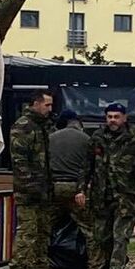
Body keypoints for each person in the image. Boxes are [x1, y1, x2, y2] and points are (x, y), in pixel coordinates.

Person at [75, 103, 135, 269]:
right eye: (109, 116)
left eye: (116, 116)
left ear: (125, 118)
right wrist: (81, 190)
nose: (113, 120)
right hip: (101, 196)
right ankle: (116, 261)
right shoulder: (97, 138)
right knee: (102, 237)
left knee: (121, 237)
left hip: (125, 197)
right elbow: (86, 167)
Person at [9, 89, 65, 269]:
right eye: (47, 105)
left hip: (44, 188)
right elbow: (19, 161)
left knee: (43, 231)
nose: (50, 109)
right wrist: (30, 185)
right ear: (36, 103)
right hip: (28, 191)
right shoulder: (23, 127)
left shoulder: (43, 127)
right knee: (28, 231)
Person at [49, 109, 93, 260]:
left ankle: (38, 266)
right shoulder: (86, 139)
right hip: (77, 189)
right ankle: (95, 268)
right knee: (89, 229)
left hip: (54, 187)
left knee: (44, 229)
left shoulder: (50, 138)